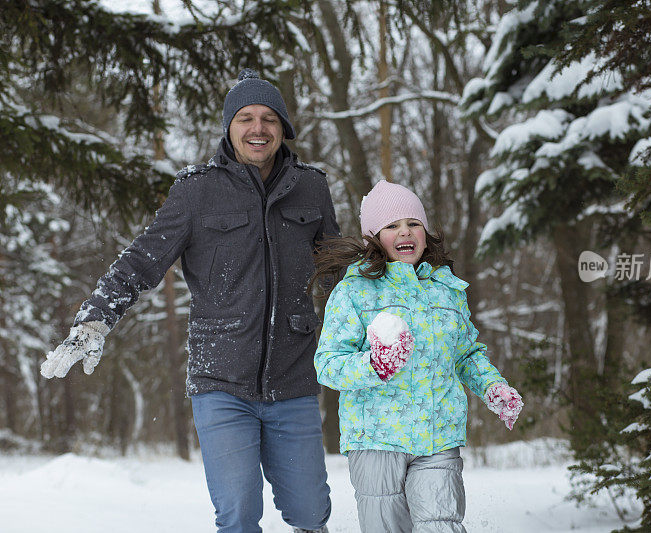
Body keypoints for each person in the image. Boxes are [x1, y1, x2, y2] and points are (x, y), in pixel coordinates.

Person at [39, 69, 336, 533]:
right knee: (237, 513)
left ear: (283, 128)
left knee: (310, 511)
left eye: (268, 119)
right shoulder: (197, 190)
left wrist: (386, 317)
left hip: (293, 378)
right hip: (220, 380)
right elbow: (140, 261)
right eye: (245, 118)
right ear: (228, 127)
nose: (258, 128)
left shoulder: (312, 187)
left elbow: (338, 273)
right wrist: (94, 322)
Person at [311, 180, 524, 533]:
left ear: (425, 232)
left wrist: (492, 387)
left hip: (438, 434)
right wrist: (374, 365)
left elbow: (466, 353)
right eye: (392, 225)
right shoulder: (354, 290)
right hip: (376, 438)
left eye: (413, 223)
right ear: (375, 237)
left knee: (441, 524)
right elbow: (328, 364)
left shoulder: (447, 289)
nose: (405, 231)